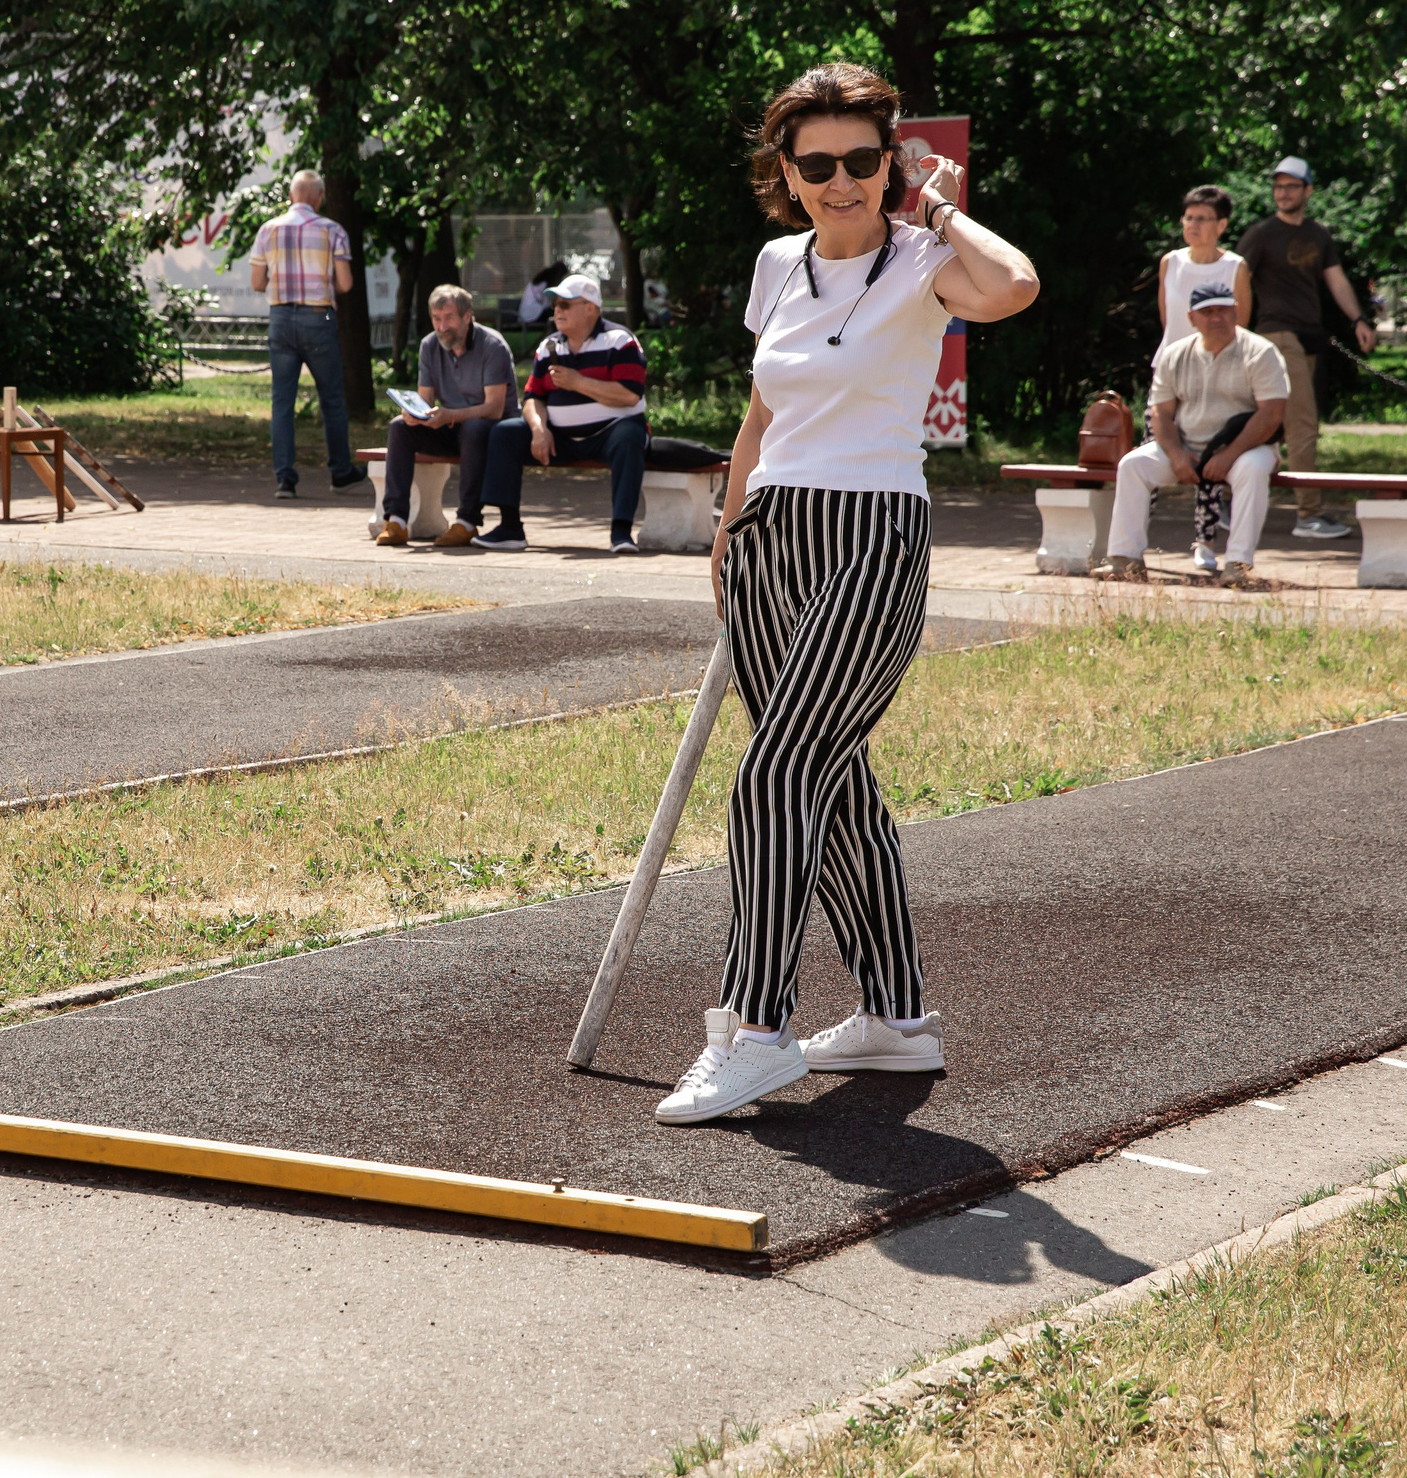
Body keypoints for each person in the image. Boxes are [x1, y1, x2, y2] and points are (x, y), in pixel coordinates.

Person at [656, 62, 1039, 1126]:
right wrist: (727, 530)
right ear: (785, 169)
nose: (840, 182)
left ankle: (755, 1030)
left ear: (892, 164)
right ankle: (896, 1018)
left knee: (777, 772)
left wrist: (941, 204)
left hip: (873, 530)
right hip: (772, 535)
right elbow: (761, 407)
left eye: (862, 162)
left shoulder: (925, 259)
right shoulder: (775, 263)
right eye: (816, 163)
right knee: (836, 786)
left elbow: (1013, 288)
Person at [1092, 282, 1289, 586]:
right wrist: (1176, 455)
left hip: (1248, 448)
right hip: (1186, 446)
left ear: (1236, 312)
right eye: (1207, 311)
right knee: (1133, 465)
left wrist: (1229, 455)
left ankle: (1238, 564)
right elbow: (1161, 413)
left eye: (1223, 310)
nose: (1216, 317)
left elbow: (1272, 414)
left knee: (1252, 469)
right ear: (1191, 317)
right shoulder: (1175, 354)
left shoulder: (1261, 352)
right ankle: (1125, 560)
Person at [1235, 156, 1375, 540]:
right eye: (1278, 186)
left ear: (1308, 191)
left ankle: (1234, 505)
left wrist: (1359, 320)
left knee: (1271, 427)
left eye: (1291, 186)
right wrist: (1235, 333)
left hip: (1308, 337)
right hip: (1275, 337)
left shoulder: (1318, 235)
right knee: (1302, 425)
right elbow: (1235, 280)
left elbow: (1337, 281)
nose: (1283, 193)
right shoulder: (1261, 234)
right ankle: (1309, 515)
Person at [474, 274, 650, 554]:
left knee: (629, 435)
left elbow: (629, 395)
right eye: (555, 304)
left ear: (590, 308)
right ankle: (509, 529)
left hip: (608, 435)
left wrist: (577, 382)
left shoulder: (619, 341)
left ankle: (621, 532)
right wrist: (538, 429)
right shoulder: (549, 346)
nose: (557, 310)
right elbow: (533, 397)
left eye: (566, 304)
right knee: (505, 433)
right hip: (558, 438)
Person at [248, 171, 370, 501]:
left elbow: (258, 283)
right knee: (331, 399)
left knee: (282, 402)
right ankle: (340, 473)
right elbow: (345, 284)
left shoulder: (268, 230)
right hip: (319, 317)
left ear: (291, 196)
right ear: (319, 198)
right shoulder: (333, 231)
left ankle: (285, 480)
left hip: (281, 318)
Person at [375, 284, 516, 547]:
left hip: (493, 431)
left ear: (466, 317)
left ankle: (466, 522)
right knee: (399, 427)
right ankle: (396, 520)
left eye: (448, 318)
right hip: (451, 424)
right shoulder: (430, 345)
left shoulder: (492, 345)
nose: (442, 327)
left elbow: (494, 408)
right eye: (436, 319)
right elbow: (425, 400)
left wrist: (450, 414)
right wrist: (414, 414)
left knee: (474, 428)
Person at [1156, 184, 1249, 343]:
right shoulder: (1170, 262)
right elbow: (1167, 323)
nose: (1192, 225)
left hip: (1220, 363)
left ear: (1221, 225)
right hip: (1173, 362)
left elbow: (1240, 327)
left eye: (1201, 219)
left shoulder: (1236, 267)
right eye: (1188, 218)